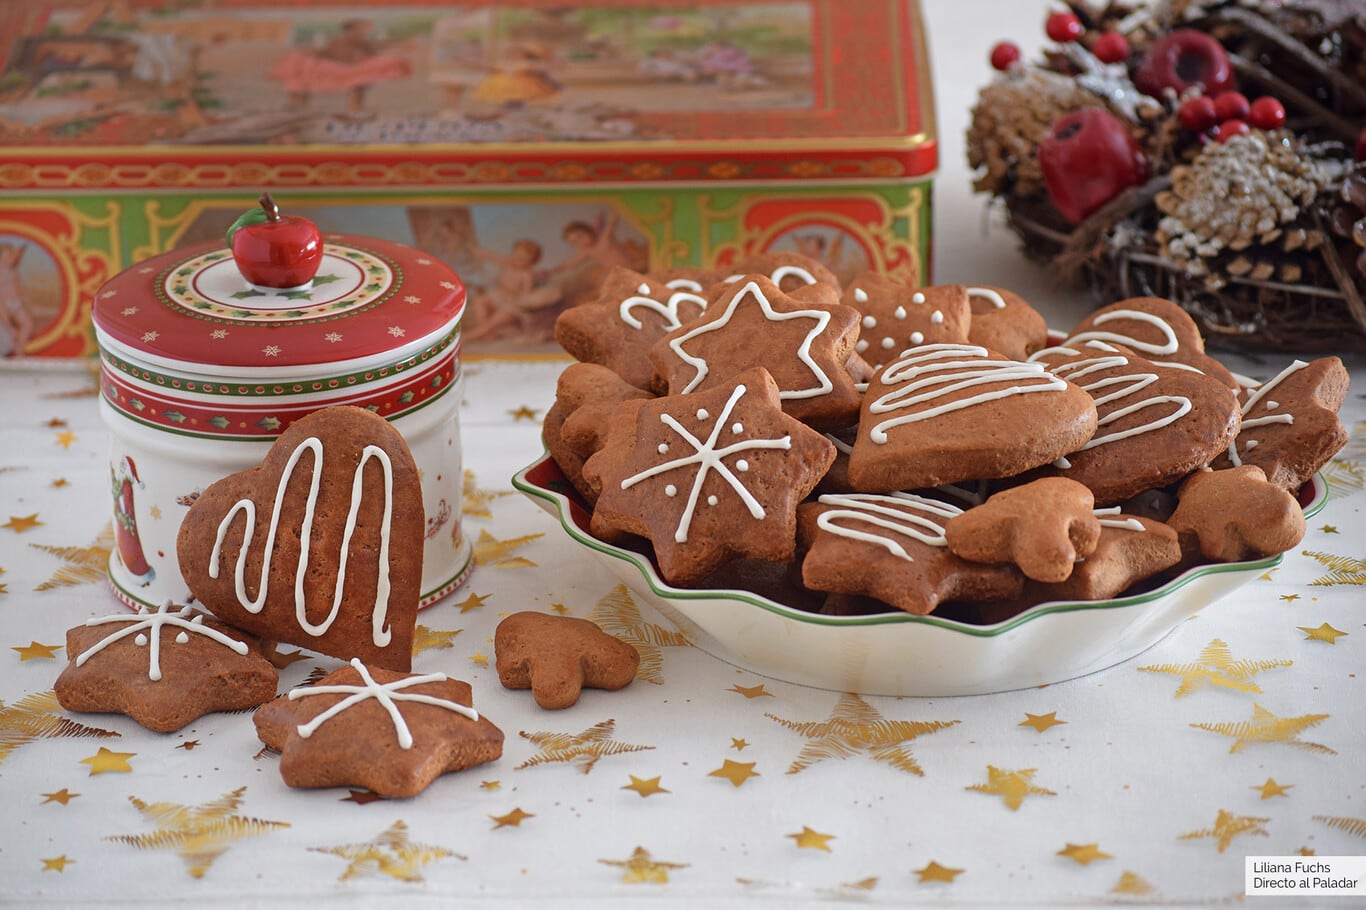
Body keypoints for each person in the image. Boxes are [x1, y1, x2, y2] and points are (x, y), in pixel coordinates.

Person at [270, 19, 411, 112]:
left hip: (354, 68)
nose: (361, 32)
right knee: (304, 78)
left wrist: (397, 44)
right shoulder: (340, 40)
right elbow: (324, 52)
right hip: (341, 68)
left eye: (361, 30)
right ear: (349, 30)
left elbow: (375, 46)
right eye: (358, 30)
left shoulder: (360, 41)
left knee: (359, 86)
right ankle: (295, 105)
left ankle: (356, 108)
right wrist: (310, 53)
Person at [464, 239, 561, 343]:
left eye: (522, 259)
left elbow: (526, 297)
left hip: (512, 304)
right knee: (480, 300)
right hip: (497, 297)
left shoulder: (527, 275)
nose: (517, 260)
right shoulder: (506, 263)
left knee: (497, 319)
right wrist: (472, 248)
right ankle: (486, 333)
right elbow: (489, 255)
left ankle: (469, 336)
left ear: (531, 263)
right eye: (516, 256)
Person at [0, 243, 34, 358]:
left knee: (27, 324)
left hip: (15, 304)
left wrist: (24, 300)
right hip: (2, 306)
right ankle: (9, 349)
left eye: (11, 255)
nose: (10, 258)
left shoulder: (12, 271)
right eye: (7, 255)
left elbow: (18, 288)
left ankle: (19, 350)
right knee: (7, 331)